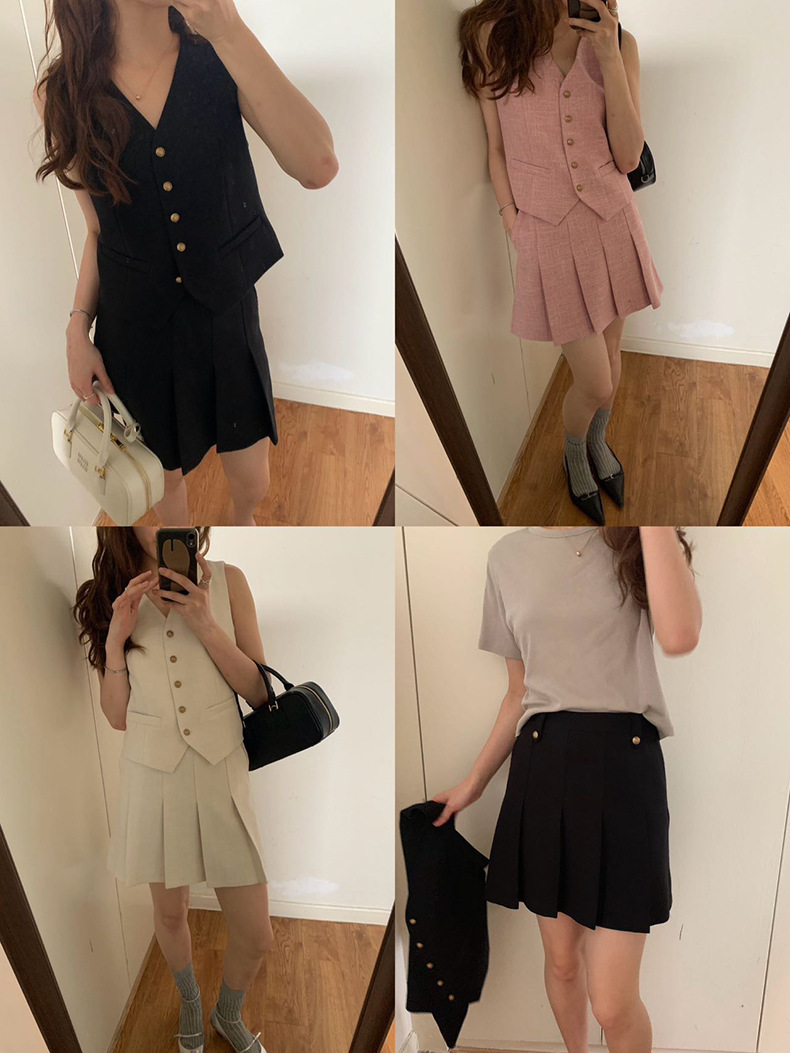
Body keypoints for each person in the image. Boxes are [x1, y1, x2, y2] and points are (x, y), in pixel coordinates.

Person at [35, 0, 338, 525]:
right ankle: (180, 558)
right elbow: (98, 229)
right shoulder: (61, 93)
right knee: (164, 485)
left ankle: (242, 528)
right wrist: (76, 329)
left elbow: (319, 167)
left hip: (226, 318)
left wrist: (230, 30)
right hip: (135, 334)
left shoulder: (220, 53)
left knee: (253, 481)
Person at [433, 526, 702, 1053]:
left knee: (613, 1002)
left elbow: (680, 636)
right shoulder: (506, 556)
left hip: (626, 770)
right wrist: (474, 783)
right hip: (544, 767)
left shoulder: (639, 537)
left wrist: (652, 524)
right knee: (561, 963)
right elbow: (519, 692)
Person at [459, 0, 661, 522]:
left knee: (612, 356)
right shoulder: (493, 35)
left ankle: (598, 442)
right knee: (595, 381)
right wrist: (513, 222)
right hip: (546, 230)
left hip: (613, 219)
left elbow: (628, 157)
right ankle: (575, 452)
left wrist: (609, 56)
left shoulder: (620, 43)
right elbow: (497, 147)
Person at [74, 527, 273, 1053]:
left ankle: (228, 1014)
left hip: (220, 767)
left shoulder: (228, 582)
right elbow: (117, 717)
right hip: (152, 773)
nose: (163, 522)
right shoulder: (109, 594)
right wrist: (115, 640)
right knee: (169, 913)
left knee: (256, 934)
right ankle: (189, 1001)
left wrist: (205, 624)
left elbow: (259, 692)